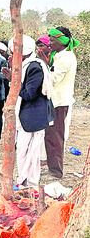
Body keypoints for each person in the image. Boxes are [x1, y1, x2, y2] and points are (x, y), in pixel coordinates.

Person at [2, 35, 54, 186]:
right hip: (28, 116)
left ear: (24, 52)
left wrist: (13, 80)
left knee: (29, 152)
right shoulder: (26, 65)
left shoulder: (34, 67)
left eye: (15, 52)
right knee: (23, 151)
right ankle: (24, 181)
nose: (13, 55)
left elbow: (29, 94)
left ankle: (30, 183)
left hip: (33, 117)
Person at [40, 27, 79, 179]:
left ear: (62, 42)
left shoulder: (67, 58)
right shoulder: (59, 56)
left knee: (55, 137)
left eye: (52, 41)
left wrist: (44, 65)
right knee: (50, 135)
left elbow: (54, 79)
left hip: (59, 102)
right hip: (54, 101)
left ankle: (56, 172)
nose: (49, 43)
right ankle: (52, 168)